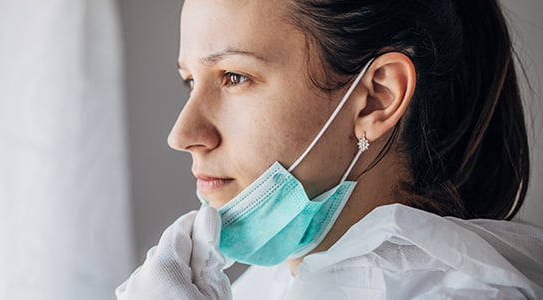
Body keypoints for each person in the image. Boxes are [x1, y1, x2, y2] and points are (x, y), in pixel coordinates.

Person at [117, 0, 543, 299]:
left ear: (377, 97)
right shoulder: (266, 287)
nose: (182, 133)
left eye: (234, 77)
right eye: (190, 81)